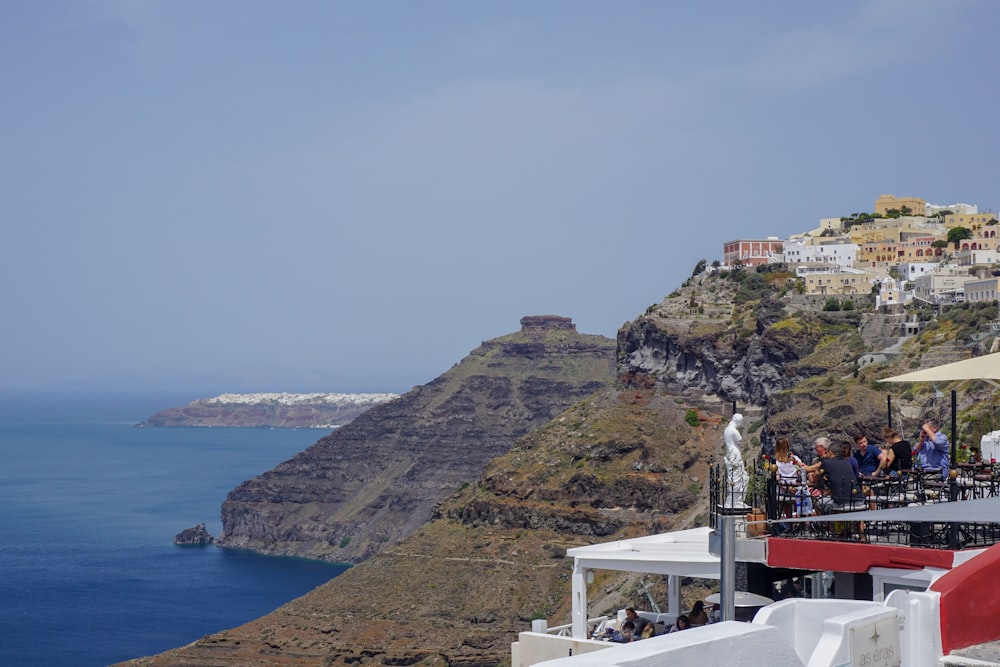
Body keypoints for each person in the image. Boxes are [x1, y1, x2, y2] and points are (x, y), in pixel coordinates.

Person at [816, 442, 864, 512]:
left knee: (818, 503)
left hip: (841, 502)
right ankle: (861, 523)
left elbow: (815, 476)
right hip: (859, 500)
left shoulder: (827, 463)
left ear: (831, 452)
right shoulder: (847, 462)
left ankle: (825, 523)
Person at [723, 413, 749, 507]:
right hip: (735, 453)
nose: (741, 423)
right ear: (738, 420)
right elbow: (740, 440)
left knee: (734, 476)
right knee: (739, 477)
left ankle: (733, 500)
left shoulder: (726, 429)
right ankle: (736, 500)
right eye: (741, 421)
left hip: (729, 453)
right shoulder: (734, 431)